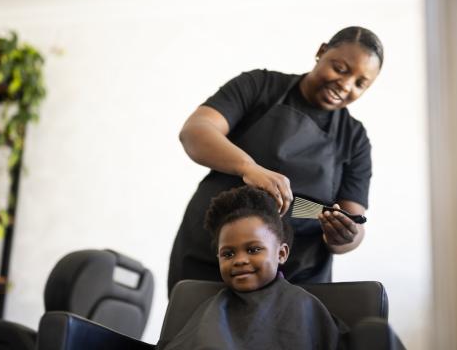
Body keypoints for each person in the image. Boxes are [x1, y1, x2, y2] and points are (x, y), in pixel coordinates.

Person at [168, 26, 384, 294]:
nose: (346, 84)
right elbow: (196, 131)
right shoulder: (259, 86)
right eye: (340, 68)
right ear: (321, 52)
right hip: (210, 256)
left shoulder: (354, 138)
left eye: (360, 83)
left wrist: (344, 236)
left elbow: (354, 219)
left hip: (296, 276)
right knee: (196, 333)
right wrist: (249, 168)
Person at [158, 186, 345, 350]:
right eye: (228, 254)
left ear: (281, 253)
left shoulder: (303, 306)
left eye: (253, 249)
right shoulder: (212, 309)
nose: (239, 260)